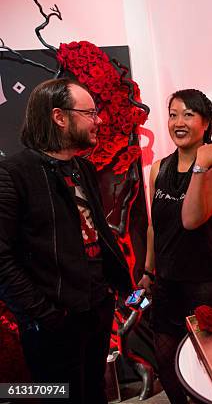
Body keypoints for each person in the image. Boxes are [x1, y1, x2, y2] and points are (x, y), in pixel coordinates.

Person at [0, 78, 132, 403]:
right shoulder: (13, 174)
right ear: (59, 117)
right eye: (89, 112)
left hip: (96, 312)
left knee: (94, 392)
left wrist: (112, 294)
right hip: (53, 326)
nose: (99, 120)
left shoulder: (83, 168)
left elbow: (95, 234)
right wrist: (44, 316)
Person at [138, 89, 212, 404]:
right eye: (173, 114)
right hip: (167, 282)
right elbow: (156, 226)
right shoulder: (159, 168)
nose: (178, 122)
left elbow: (191, 219)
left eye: (188, 114)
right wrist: (149, 271)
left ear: (206, 123)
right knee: (166, 360)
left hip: (206, 282)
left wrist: (199, 168)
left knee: (210, 362)